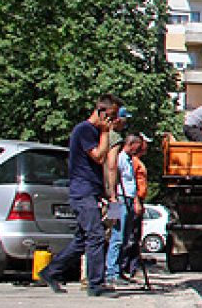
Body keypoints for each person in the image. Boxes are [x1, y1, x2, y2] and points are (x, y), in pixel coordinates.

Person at [38, 94, 121, 296]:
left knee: (82, 240)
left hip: (90, 191)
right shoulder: (84, 130)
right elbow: (99, 157)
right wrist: (105, 133)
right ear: (102, 113)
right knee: (96, 236)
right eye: (112, 116)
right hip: (82, 192)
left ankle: (51, 271)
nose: (114, 121)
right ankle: (95, 285)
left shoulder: (92, 130)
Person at [105, 133, 146, 287]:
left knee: (125, 237)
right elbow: (113, 178)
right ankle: (111, 272)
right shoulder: (120, 159)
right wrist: (113, 203)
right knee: (116, 235)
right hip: (119, 200)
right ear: (132, 144)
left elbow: (132, 183)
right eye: (138, 145)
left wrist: (136, 201)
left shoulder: (130, 160)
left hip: (128, 199)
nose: (140, 149)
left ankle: (119, 270)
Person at [119, 135, 151, 281]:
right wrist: (137, 201)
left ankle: (129, 267)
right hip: (130, 199)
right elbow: (132, 183)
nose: (145, 147)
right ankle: (125, 267)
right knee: (127, 235)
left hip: (135, 199)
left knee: (132, 235)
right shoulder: (131, 161)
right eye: (143, 144)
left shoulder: (135, 161)